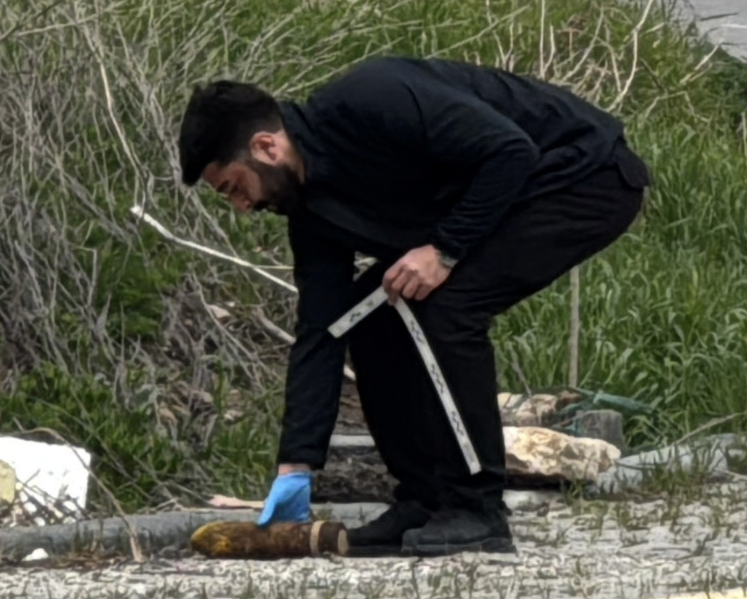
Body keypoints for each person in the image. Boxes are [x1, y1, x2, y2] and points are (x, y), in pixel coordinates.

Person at [176, 55, 651, 557]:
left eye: (233, 187)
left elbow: (510, 151)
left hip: (584, 177)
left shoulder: (372, 99)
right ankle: (424, 500)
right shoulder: (314, 213)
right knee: (372, 322)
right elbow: (323, 330)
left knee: (444, 307)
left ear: (265, 147)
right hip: (510, 197)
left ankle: (477, 509)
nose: (241, 206)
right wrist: (296, 463)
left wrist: (444, 249)